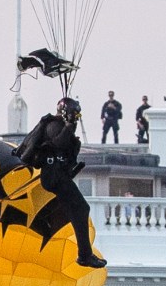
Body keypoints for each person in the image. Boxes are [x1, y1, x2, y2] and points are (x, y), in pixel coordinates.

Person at [16, 98, 104, 269]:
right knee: (81, 208)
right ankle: (85, 255)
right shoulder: (54, 125)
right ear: (66, 113)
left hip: (56, 176)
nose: (76, 118)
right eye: (74, 114)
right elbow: (58, 143)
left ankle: (84, 253)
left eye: (78, 115)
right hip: (54, 176)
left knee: (73, 209)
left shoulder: (59, 125)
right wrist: (69, 126)